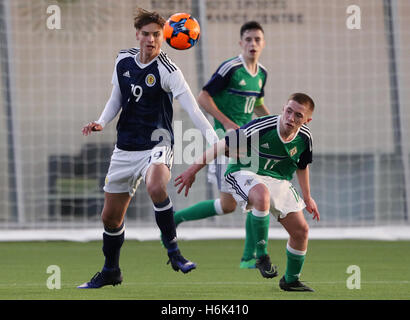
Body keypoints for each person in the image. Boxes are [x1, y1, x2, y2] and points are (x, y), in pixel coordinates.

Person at [77, 8, 218, 289]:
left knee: (156, 186)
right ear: (137, 35)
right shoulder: (122, 60)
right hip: (126, 146)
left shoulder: (169, 71)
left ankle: (174, 252)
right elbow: (116, 97)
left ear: (164, 37)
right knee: (110, 217)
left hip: (158, 142)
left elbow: (194, 110)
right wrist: (102, 122)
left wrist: (216, 143)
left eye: (156, 34)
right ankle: (110, 270)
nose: (151, 39)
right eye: (146, 34)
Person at [175, 93, 320, 292]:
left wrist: (307, 197)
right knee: (261, 196)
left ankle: (291, 280)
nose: (291, 118)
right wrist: (191, 171)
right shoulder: (263, 126)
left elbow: (302, 166)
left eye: (298, 115)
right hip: (244, 171)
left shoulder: (305, 138)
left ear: (307, 120)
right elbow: (220, 145)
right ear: (283, 109)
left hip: (278, 180)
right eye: (288, 111)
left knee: (301, 231)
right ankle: (261, 255)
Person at [172, 21, 271, 271]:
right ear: (241, 43)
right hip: (224, 141)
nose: (253, 44)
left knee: (228, 205)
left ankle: (175, 218)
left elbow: (256, 104)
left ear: (263, 43)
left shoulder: (262, 74)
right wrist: (227, 123)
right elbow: (203, 96)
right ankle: (251, 258)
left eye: (257, 39)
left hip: (245, 141)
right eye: (248, 39)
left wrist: (274, 124)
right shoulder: (231, 68)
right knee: (254, 197)